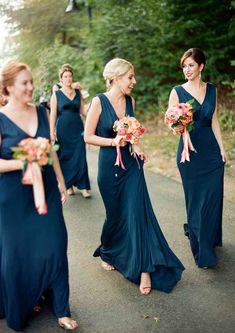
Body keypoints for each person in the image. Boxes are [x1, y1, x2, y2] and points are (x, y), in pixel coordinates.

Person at [84, 58, 184, 295]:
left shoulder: (131, 101)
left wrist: (136, 146)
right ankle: (108, 249)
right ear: (116, 78)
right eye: (130, 77)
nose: (134, 81)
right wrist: (112, 141)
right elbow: (87, 136)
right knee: (115, 216)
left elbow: (132, 134)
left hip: (132, 166)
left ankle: (144, 269)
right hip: (109, 167)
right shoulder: (99, 102)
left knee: (138, 214)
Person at [0, 62, 79, 331]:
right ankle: (25, 299)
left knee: (56, 245)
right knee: (19, 253)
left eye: (31, 81)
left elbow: (52, 150)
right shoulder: (0, 118)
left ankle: (61, 309)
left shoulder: (42, 112)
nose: (31, 87)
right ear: (9, 87)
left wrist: (60, 180)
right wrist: (26, 161)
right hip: (13, 197)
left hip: (46, 189)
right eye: (24, 83)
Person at [168, 48, 226, 268]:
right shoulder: (177, 92)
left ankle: (209, 238)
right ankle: (202, 250)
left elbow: (214, 121)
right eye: (184, 66)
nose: (187, 70)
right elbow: (172, 124)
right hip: (189, 153)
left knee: (212, 198)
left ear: (201, 66)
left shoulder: (212, 90)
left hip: (211, 152)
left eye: (191, 65)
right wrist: (180, 126)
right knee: (196, 202)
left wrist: (222, 148)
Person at [50, 64, 91, 198]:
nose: (68, 78)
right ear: (61, 79)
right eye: (65, 76)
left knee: (80, 154)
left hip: (78, 128)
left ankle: (84, 187)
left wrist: (94, 104)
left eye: (70, 76)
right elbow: (53, 115)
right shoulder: (56, 95)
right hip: (63, 129)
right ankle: (68, 185)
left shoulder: (78, 93)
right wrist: (52, 132)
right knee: (65, 156)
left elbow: (83, 111)